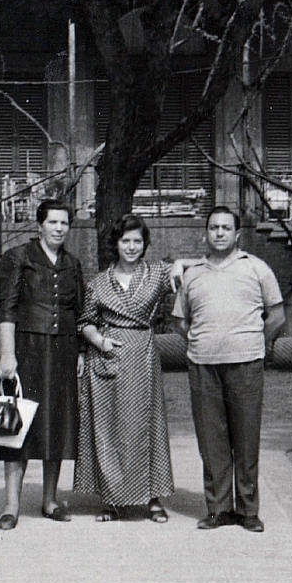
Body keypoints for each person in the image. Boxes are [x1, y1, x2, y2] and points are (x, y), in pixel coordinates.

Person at [74, 214, 197, 523]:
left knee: (146, 425)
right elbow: (85, 322)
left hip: (142, 356)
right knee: (107, 428)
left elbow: (202, 264)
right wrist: (100, 341)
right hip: (105, 359)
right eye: (125, 241)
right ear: (115, 244)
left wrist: (181, 262)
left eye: (137, 241)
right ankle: (111, 499)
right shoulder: (99, 282)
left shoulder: (156, 273)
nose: (131, 247)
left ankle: (152, 498)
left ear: (145, 245)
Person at [172, 206, 285, 533]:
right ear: (205, 234)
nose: (219, 233)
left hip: (246, 365)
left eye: (226, 228)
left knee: (246, 440)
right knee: (212, 441)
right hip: (203, 366)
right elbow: (180, 320)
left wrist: (256, 345)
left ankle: (248, 510)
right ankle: (219, 509)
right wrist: (202, 340)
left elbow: (276, 316)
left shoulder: (257, 269)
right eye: (213, 228)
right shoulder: (193, 274)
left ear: (237, 234)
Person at [0, 198, 83, 530]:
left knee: (55, 426)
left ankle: (49, 500)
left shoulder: (72, 263)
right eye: (53, 222)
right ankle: (11, 505)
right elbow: (7, 309)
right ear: (39, 225)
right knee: (17, 427)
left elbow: (78, 311)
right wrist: (7, 354)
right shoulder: (18, 257)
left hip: (63, 353)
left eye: (64, 223)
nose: (59, 228)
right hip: (27, 351)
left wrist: (81, 354)